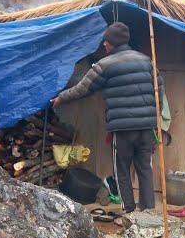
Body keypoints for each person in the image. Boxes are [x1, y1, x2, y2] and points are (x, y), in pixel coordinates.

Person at [50, 22, 164, 214]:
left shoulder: (105, 65)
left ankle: (129, 211)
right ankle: (149, 212)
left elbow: (82, 89)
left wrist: (60, 98)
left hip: (122, 129)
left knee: (122, 170)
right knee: (145, 168)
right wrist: (154, 117)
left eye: (106, 41)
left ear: (111, 43)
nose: (104, 44)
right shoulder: (147, 62)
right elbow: (159, 90)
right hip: (146, 127)